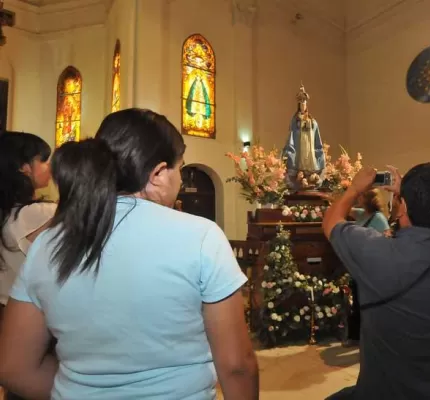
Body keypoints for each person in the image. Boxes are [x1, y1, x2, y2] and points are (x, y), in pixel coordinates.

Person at [0, 109, 258, 400]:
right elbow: (237, 366)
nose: (182, 182)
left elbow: (14, 367)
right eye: (180, 169)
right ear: (159, 174)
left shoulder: (49, 243)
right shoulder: (201, 236)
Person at [323, 163, 430, 399]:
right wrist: (409, 197)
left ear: (403, 205)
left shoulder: (377, 253)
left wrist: (354, 189)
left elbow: (331, 221)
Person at [0, 132, 55, 400]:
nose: (51, 167)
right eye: (45, 160)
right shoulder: (41, 214)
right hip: (32, 319)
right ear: (24, 167)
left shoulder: (6, 212)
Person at [344, 189, 389, 347]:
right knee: (356, 301)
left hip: (372, 267)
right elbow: (345, 209)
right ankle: (355, 336)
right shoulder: (362, 214)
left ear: (369, 199)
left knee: (368, 304)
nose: (359, 197)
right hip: (359, 266)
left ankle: (371, 337)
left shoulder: (379, 218)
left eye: (361, 195)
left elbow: (386, 243)